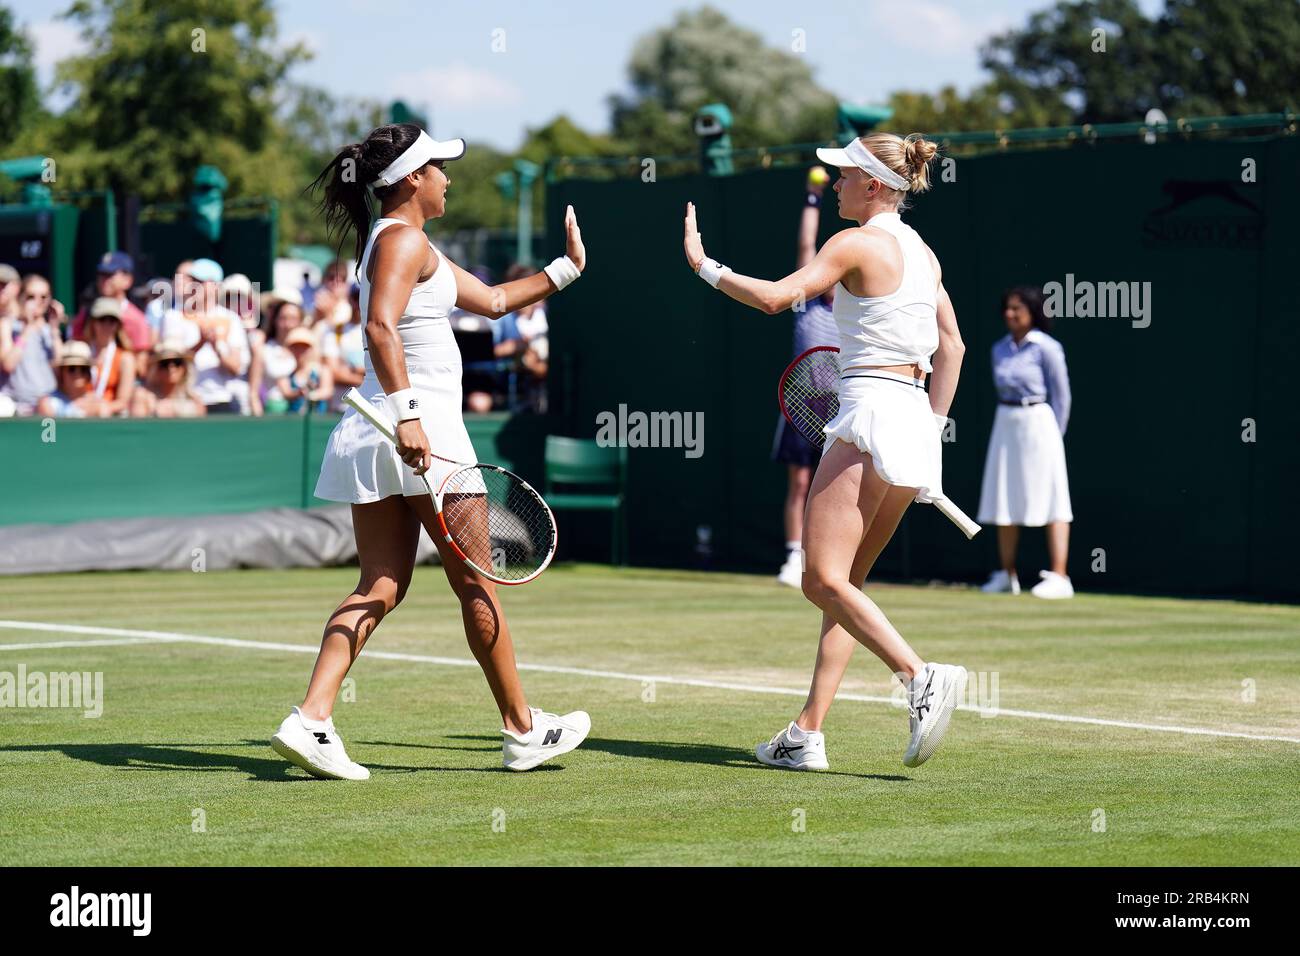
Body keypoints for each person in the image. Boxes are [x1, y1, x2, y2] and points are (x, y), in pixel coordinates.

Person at [269, 123, 591, 780]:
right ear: (413, 178)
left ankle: (312, 719)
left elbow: (497, 300)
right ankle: (523, 731)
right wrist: (411, 415)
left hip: (393, 429)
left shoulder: (411, 246)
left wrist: (566, 269)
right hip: (422, 429)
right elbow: (378, 325)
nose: (449, 177)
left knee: (383, 584)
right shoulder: (403, 239)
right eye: (440, 167)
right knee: (476, 580)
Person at [683, 131, 968, 771]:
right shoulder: (923, 254)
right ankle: (806, 733)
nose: (835, 183)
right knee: (845, 585)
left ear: (873, 185)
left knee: (820, 578)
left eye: (843, 176)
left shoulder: (854, 242)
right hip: (912, 422)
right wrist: (932, 428)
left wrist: (704, 265)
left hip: (868, 413)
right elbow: (952, 347)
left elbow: (777, 297)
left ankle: (919, 675)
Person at [977, 287, 1074, 599]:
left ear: (1033, 312)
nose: (1010, 314)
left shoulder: (1048, 348)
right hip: (1005, 422)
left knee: (1053, 496)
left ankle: (1060, 576)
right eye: (1007, 308)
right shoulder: (999, 348)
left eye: (1017, 308)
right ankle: (1007, 575)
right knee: (1004, 495)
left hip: (1040, 423)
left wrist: (1052, 436)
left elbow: (1062, 396)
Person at [773, 167, 840, 588]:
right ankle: (792, 557)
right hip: (802, 401)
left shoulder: (854, 313)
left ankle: (827, 559)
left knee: (833, 485)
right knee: (799, 482)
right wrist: (813, 198)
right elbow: (805, 246)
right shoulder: (805, 303)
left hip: (841, 405)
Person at [158, 258, 250, 414]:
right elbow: (171, 364)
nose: (194, 286)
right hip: (184, 402)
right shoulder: (172, 317)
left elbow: (236, 367)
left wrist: (216, 346)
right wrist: (200, 343)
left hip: (221, 400)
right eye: (191, 280)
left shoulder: (231, 319)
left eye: (200, 281)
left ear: (216, 286)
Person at [1, 274, 63, 415]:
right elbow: (8, 365)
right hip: (14, 403)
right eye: (31, 297)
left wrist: (54, 329)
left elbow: (60, 370)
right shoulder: (9, 325)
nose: (37, 302)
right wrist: (28, 327)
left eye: (43, 297)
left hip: (48, 402)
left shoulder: (50, 331)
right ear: (21, 297)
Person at [70, 251, 152, 357]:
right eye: (101, 274)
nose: (104, 280)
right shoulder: (85, 314)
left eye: (110, 275)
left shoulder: (137, 320)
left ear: (128, 280)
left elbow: (141, 365)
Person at [249, 294, 305, 415]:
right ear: (275, 320)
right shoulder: (263, 350)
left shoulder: (307, 350)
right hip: (271, 413)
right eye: (283, 318)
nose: (287, 324)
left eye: (293, 319)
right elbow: (253, 392)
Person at [83, 297, 137, 416]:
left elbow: (122, 402)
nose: (107, 325)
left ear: (118, 325)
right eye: (102, 320)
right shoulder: (81, 351)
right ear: (93, 322)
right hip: (81, 413)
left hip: (110, 418)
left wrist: (100, 408)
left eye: (112, 321)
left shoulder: (125, 358)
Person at [129, 339, 207, 418]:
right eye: (165, 364)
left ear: (184, 368)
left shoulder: (194, 400)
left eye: (177, 362)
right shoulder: (143, 397)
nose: (171, 369)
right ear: (156, 368)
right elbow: (139, 428)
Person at [36, 341, 108, 418]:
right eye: (72, 368)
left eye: (83, 369)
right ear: (62, 372)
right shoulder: (48, 403)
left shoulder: (98, 404)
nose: (77, 373)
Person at [278, 326, 333, 413]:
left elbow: (327, 391)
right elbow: (286, 393)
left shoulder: (322, 370)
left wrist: (312, 395)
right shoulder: (286, 373)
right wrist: (298, 393)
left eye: (304, 347)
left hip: (318, 421)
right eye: (296, 347)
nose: (300, 351)